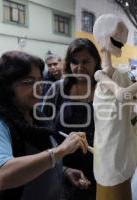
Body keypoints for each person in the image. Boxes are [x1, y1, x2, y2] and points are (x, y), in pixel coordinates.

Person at [0, 51, 90, 200]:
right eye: (28, 82)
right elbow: (0, 176)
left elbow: (36, 158)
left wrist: (63, 170)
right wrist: (60, 151)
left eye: (39, 80)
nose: (38, 87)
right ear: (6, 87)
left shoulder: (36, 115)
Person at [41, 38, 101, 200]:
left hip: (100, 168)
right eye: (74, 62)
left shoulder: (106, 90)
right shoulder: (59, 88)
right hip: (63, 168)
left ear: (96, 61)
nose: (79, 67)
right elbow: (40, 124)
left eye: (85, 61)